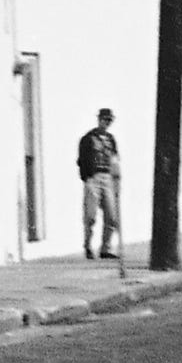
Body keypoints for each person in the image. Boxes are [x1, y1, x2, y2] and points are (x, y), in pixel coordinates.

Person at [77, 108, 122, 258]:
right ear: (99, 120)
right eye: (104, 120)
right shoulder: (88, 138)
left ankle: (106, 248)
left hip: (107, 177)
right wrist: (87, 178)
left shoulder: (111, 139)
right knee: (90, 216)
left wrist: (116, 177)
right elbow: (81, 160)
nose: (107, 123)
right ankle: (88, 246)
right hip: (93, 177)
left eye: (109, 120)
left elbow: (115, 159)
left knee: (112, 216)